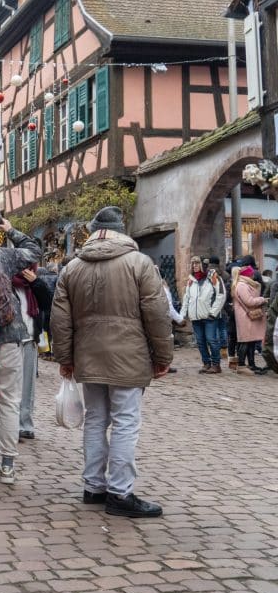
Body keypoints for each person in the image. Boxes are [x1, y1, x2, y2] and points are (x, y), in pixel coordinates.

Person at [51, 206, 173, 518]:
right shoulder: (140, 263)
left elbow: (60, 320)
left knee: (95, 419)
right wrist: (163, 357)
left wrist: (65, 358)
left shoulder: (72, 268)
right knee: (125, 422)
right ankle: (120, 493)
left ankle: (93, 486)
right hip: (129, 356)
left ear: (93, 231)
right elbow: (157, 314)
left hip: (88, 355)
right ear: (121, 230)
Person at [0, 217, 41, 485]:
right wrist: (11, 230)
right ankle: (8, 465)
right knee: (10, 401)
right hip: (11, 334)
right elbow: (35, 251)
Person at [16, 265, 52, 441]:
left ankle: (25, 424)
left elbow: (47, 302)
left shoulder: (32, 284)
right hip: (9, 341)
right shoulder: (4, 282)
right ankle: (10, 425)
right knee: (10, 387)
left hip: (30, 339)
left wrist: (36, 282)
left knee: (27, 387)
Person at [178, 256, 225, 374]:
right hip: (195, 316)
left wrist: (213, 312)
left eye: (197, 264)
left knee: (211, 340)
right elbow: (187, 298)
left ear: (203, 265)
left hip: (210, 316)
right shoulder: (191, 280)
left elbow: (221, 294)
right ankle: (206, 363)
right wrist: (182, 315)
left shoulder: (213, 277)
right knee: (200, 341)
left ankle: (216, 364)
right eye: (193, 264)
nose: (194, 266)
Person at [232, 265, 269, 375]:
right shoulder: (242, 285)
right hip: (245, 317)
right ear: (248, 275)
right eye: (251, 274)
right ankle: (241, 365)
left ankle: (251, 364)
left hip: (247, 317)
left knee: (251, 341)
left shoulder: (244, 284)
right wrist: (262, 299)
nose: (253, 276)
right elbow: (249, 301)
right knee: (245, 341)